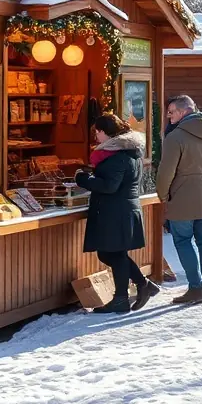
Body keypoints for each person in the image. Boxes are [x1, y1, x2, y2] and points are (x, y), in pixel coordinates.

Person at [75, 114, 157, 314]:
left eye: (97, 132)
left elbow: (109, 186)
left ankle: (121, 298)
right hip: (122, 209)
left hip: (116, 211)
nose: (96, 136)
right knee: (110, 252)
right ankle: (142, 284)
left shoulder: (117, 156)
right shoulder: (128, 151)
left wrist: (83, 179)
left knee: (115, 253)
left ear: (104, 132)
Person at [156, 95, 202, 304]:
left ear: (184, 111)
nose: (168, 116)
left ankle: (196, 287)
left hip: (181, 197)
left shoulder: (176, 137)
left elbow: (165, 172)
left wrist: (163, 196)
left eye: (171, 111)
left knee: (183, 240)